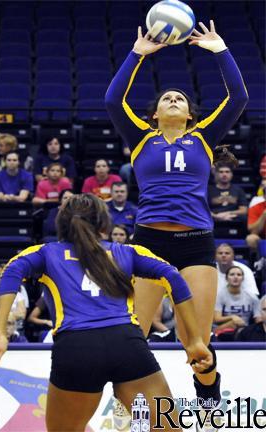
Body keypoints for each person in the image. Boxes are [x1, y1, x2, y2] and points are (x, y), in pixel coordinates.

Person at [105, 20, 249, 428]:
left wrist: (219, 48)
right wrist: (138, 54)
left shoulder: (203, 137)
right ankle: (128, 413)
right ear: (155, 114)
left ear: (188, 114)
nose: (172, 99)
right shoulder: (141, 138)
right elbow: (114, 100)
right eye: (166, 97)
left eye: (179, 98)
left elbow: (238, 97)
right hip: (147, 244)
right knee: (133, 338)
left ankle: (209, 403)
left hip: (196, 245)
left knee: (196, 344)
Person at [0, 193, 212, 432]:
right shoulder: (128, 252)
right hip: (127, 345)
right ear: (103, 224)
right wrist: (194, 340)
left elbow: (10, 271)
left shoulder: (45, 253)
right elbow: (173, 276)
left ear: (61, 223)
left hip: (76, 348)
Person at [214, 266, 261, 340]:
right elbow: (216, 319)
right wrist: (233, 317)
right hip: (223, 330)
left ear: (243, 278)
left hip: (246, 330)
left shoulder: (252, 297)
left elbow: (259, 320)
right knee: (233, 323)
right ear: (226, 278)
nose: (235, 277)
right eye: (232, 274)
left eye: (239, 275)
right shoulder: (219, 296)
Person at [246, 184, 266, 252]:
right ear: (264, 196)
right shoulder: (255, 208)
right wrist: (264, 215)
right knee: (251, 238)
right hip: (262, 237)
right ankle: (256, 261)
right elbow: (253, 231)